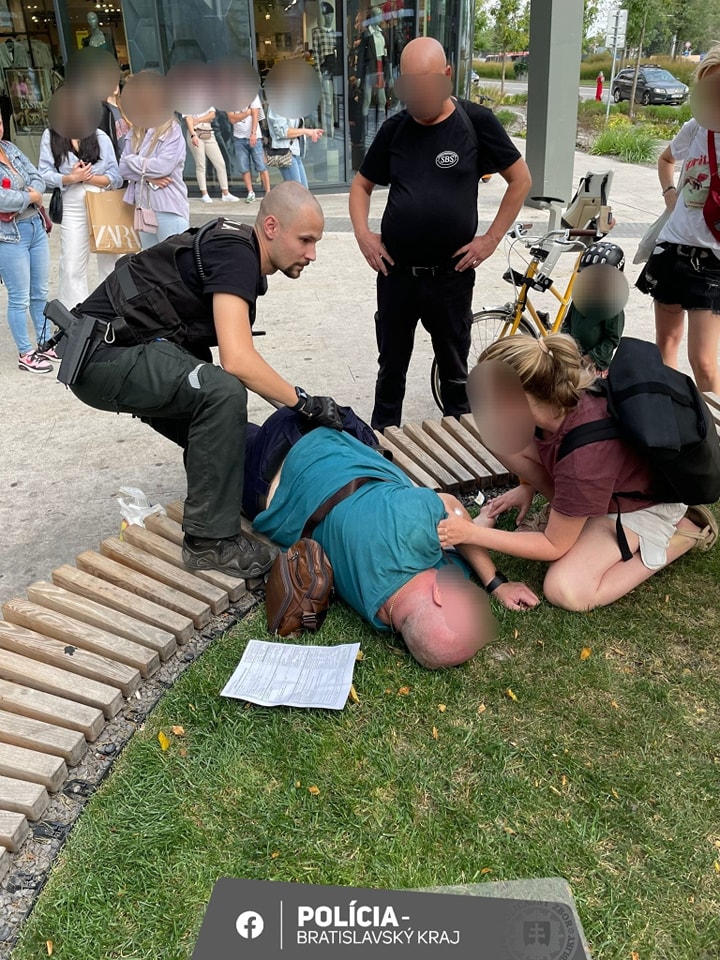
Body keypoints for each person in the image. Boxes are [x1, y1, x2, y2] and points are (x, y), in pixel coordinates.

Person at [62, 182, 343, 579]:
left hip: (119, 349)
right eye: (305, 240)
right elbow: (238, 361)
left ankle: (235, 504)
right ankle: (210, 544)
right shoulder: (236, 254)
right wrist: (304, 403)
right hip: (101, 356)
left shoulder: (235, 248)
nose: (312, 253)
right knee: (222, 392)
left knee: (230, 428)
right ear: (271, 227)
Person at [436, 333, 717, 612]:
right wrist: (527, 485)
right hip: (604, 483)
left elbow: (553, 545)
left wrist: (471, 533)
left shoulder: (583, 460)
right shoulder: (555, 398)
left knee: (566, 589)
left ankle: (684, 532)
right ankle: (573, 514)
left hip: (645, 505)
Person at [244, 407, 539, 669]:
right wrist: (483, 523)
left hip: (293, 443)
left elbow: (452, 510)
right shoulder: (387, 616)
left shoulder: (411, 529)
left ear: (439, 596)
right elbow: (460, 537)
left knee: (220, 418)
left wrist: (494, 581)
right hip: (259, 497)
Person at [349, 36, 532, 430]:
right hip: (396, 275)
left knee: (454, 373)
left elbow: (520, 180)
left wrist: (490, 240)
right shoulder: (394, 129)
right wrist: (364, 235)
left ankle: (464, 453)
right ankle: (381, 453)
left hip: (451, 277)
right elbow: (361, 185)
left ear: (447, 76)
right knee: (390, 371)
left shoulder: (476, 122)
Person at [636, 46, 720, 393]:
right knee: (664, 347)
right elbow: (666, 159)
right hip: (673, 248)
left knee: (704, 364)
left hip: (712, 260)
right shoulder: (696, 127)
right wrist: (669, 193)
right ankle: (675, 428)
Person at [39, 92, 123, 309]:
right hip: (73, 207)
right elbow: (44, 173)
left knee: (110, 262)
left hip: (102, 204)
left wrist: (90, 178)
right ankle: (75, 315)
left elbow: (116, 176)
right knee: (71, 264)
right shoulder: (51, 136)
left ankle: (112, 311)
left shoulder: (100, 136)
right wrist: (70, 178)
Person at [0, 115, 52, 373]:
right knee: (19, 298)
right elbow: (1, 199)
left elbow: (37, 175)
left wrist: (32, 193)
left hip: (35, 227)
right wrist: (30, 196)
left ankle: (46, 342)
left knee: (40, 292)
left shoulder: (9, 148)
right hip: (9, 236)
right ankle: (26, 353)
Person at [119, 113, 189, 248]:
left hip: (169, 207)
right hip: (143, 208)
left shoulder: (172, 130)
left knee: (174, 263)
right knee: (149, 264)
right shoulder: (136, 131)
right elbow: (122, 169)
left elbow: (162, 167)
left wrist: (131, 159)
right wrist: (148, 178)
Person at [561, 241, 626, 377]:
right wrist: (566, 343)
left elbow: (612, 339)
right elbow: (567, 322)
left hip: (593, 366)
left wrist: (589, 358)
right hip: (572, 358)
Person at [182, 107, 239, 204]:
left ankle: (225, 193)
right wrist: (193, 135)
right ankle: (204, 193)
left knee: (220, 163)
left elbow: (212, 115)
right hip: (195, 132)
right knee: (201, 164)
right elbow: (188, 119)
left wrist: (198, 120)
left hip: (208, 131)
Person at [227, 96, 270, 203]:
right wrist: (247, 113)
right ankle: (250, 192)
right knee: (243, 167)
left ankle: (268, 192)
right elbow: (232, 119)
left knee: (261, 165)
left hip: (254, 135)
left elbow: (255, 115)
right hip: (238, 137)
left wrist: (253, 133)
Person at [266, 108, 324, 188]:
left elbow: (296, 130)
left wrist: (311, 133)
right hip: (284, 152)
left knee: (303, 190)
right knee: (297, 191)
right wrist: (306, 131)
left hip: (295, 151)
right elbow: (282, 132)